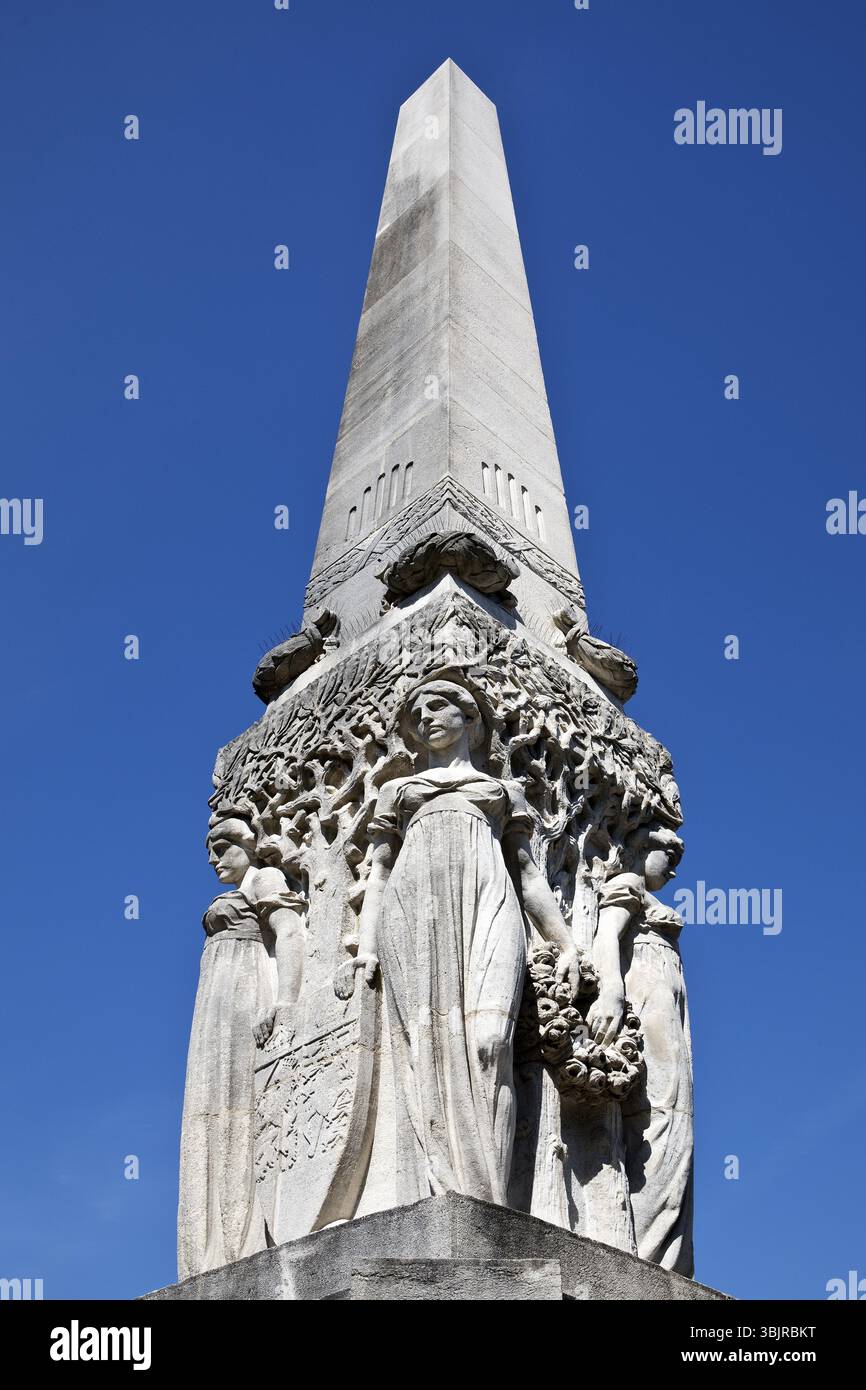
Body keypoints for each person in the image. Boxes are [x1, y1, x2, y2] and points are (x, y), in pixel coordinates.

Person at [352, 677, 582, 1205]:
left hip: (489, 901)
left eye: (439, 706)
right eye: (417, 712)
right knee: (427, 1046)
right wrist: (367, 946)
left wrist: (564, 942)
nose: (426, 717)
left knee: (490, 1042)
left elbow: (526, 874)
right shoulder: (399, 792)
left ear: (470, 719)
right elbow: (379, 874)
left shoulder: (501, 791)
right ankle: (446, 1190)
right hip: (414, 911)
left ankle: (491, 1200)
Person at [177, 817, 305, 1279]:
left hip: (249, 988)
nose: (214, 859)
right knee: (210, 1111)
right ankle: (212, 1246)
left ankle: (244, 1236)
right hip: (215, 1008)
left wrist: (284, 1002)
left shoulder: (266, 879)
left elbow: (290, 933)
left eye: (222, 847)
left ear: (248, 845)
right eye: (210, 850)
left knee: (243, 1108)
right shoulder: (235, 890)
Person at [587, 825, 693, 1274]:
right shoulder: (629, 884)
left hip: (669, 1007)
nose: (673, 867)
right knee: (660, 1116)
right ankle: (645, 1254)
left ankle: (666, 1259)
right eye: (668, 853)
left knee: (677, 1122)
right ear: (642, 846)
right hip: (646, 999)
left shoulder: (646, 893)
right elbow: (607, 936)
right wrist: (610, 990)